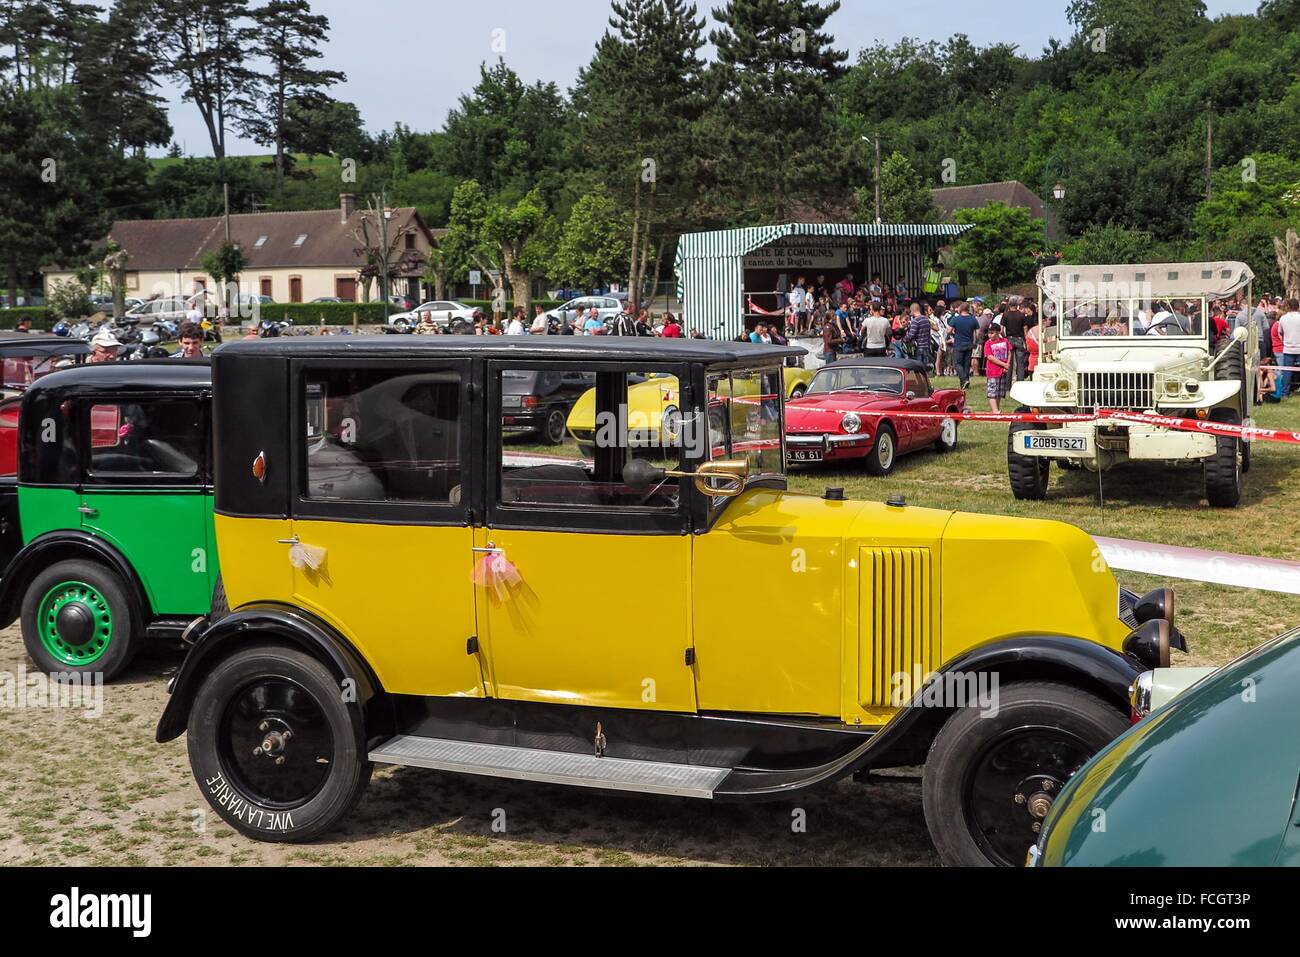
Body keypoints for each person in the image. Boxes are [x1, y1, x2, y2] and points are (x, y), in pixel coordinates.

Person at [1272, 298, 1300, 401]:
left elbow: (1280, 333)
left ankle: (1285, 393)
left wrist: (1285, 341)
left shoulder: (1283, 319)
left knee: (1287, 372)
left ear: (1288, 306)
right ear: (1298, 307)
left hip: (1288, 348)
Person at [947, 304, 980, 389]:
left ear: (960, 309)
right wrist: (976, 342)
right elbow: (978, 333)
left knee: (957, 363)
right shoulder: (973, 319)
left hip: (958, 344)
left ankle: (964, 379)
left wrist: (952, 333)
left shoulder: (956, 319)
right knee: (966, 364)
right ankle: (965, 383)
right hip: (969, 344)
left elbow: (949, 330)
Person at [983, 323, 1012, 413]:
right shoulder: (988, 343)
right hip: (993, 371)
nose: (990, 335)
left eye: (992, 333)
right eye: (989, 333)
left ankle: (997, 408)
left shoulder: (1005, 341)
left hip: (1002, 371)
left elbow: (1009, 352)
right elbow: (990, 357)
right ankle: (995, 410)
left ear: (998, 332)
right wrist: (1003, 364)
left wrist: (1007, 364)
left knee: (999, 392)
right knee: (992, 392)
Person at [904, 303, 931, 368]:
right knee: (924, 366)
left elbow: (911, 335)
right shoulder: (926, 319)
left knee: (918, 367)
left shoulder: (915, 321)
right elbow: (929, 332)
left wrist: (904, 339)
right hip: (926, 345)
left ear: (912, 310)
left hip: (919, 346)